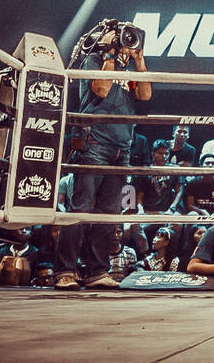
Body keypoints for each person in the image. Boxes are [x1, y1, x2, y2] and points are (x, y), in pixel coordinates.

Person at [56, 22, 152, 290]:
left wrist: (139, 57)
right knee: (82, 207)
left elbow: (145, 95)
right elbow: (100, 89)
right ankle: (65, 271)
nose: (126, 42)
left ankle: (97, 271)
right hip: (94, 141)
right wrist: (109, 54)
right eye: (123, 39)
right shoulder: (93, 60)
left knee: (110, 212)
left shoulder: (130, 68)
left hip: (122, 146)